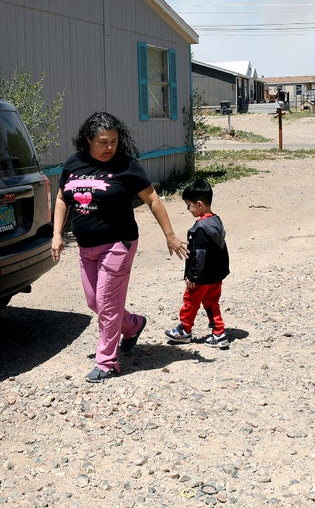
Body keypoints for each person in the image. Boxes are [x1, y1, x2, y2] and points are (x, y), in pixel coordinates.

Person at [51, 112, 188, 383]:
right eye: (103, 141)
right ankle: (133, 324)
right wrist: (56, 234)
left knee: (107, 303)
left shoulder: (126, 166)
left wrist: (170, 235)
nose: (109, 147)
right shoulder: (73, 164)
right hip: (86, 247)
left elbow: (153, 200)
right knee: (95, 302)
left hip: (118, 243)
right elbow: (61, 199)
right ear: (88, 139)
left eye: (114, 140)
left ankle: (107, 362)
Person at [165, 178, 231, 349]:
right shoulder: (216, 221)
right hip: (216, 274)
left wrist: (193, 276)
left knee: (190, 301)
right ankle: (219, 332)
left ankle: (184, 330)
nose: (188, 209)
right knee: (211, 302)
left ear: (199, 204)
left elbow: (200, 256)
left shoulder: (200, 228)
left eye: (189, 205)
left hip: (201, 276)